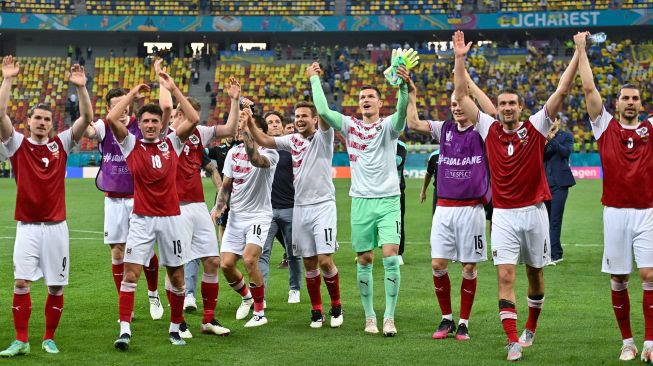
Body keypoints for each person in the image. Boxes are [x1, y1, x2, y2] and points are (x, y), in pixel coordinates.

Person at [453, 30, 578, 361]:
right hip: (504, 215)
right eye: (503, 103)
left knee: (534, 276)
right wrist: (460, 58)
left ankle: (530, 328)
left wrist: (578, 52)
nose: (507, 108)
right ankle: (511, 341)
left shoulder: (536, 126)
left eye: (512, 104)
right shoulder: (487, 128)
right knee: (505, 275)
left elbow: (562, 89)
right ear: (498, 107)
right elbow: (461, 92)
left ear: (520, 108)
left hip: (535, 212)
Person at [308, 59, 408, 336]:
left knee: (389, 257)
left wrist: (402, 88)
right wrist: (314, 79)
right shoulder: (350, 126)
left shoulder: (389, 126)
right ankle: (369, 317)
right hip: (361, 201)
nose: (365, 100)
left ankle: (389, 316)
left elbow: (401, 113)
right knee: (364, 259)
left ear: (379, 103)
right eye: (362, 97)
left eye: (371, 97)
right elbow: (323, 111)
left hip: (388, 200)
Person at [0, 57, 93, 356]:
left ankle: (49, 337)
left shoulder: (61, 144)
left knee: (55, 287)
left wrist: (81, 89)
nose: (41, 122)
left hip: (56, 228)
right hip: (27, 227)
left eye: (46, 119)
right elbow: (0, 114)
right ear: (28, 122)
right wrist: (8, 79)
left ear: (53, 125)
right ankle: (21, 340)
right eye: (37, 118)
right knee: (21, 282)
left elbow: (86, 118)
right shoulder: (17, 145)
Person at [576, 31, 653, 362]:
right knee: (620, 278)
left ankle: (650, 342)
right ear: (617, 102)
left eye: (635, 98)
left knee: (649, 275)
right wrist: (581, 49)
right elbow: (589, 89)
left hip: (647, 211)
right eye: (626, 98)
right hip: (615, 212)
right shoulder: (604, 126)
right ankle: (627, 341)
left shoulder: (650, 128)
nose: (631, 102)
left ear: (641, 103)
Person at [406, 69, 497, 341]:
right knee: (437, 264)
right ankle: (446, 318)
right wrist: (411, 94)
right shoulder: (443, 128)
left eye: (461, 102)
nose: (456, 108)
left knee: (469, 267)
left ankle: (464, 322)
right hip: (444, 208)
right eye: (453, 104)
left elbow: (491, 111)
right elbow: (413, 123)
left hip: (472, 209)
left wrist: (467, 83)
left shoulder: (483, 131)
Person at [111, 70, 199, 350]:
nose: (150, 125)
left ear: (162, 124)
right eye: (146, 121)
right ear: (141, 124)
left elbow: (194, 119)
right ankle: (124, 330)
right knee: (130, 274)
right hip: (142, 220)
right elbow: (112, 118)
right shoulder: (131, 145)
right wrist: (131, 96)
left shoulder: (172, 142)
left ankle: (175, 329)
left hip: (172, 219)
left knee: (176, 276)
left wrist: (173, 88)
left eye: (155, 121)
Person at [247, 101, 344, 329]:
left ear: (314, 119)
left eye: (304, 116)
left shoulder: (323, 137)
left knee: (325, 261)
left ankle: (337, 305)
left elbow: (323, 108)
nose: (299, 119)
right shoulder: (292, 141)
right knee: (309, 262)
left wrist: (314, 79)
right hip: (300, 207)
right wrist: (249, 121)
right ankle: (317, 310)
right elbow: (264, 140)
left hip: (323, 206)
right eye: (297, 116)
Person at [85, 70, 166, 322]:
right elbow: (87, 133)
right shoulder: (102, 126)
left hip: (140, 196)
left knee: (146, 250)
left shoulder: (141, 125)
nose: (120, 110)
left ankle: (153, 293)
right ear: (109, 108)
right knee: (117, 253)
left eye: (124, 105)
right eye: (114, 106)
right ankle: (125, 301)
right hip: (113, 197)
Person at [169, 76, 240, 338]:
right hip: (174, 208)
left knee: (212, 260)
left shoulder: (200, 134)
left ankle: (208, 319)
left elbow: (231, 129)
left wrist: (234, 100)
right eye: (189, 115)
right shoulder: (168, 135)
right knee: (176, 266)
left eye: (196, 115)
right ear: (179, 113)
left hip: (198, 206)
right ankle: (177, 322)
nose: (193, 120)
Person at [211, 108, 279, 328]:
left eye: (250, 127)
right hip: (236, 216)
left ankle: (259, 312)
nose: (243, 130)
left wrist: (248, 124)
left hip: (259, 216)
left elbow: (255, 158)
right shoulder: (232, 153)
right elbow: (227, 184)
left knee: (250, 259)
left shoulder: (271, 152)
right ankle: (247, 297)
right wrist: (218, 207)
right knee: (226, 264)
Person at [257, 110, 303, 304]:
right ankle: (262, 294)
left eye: (277, 121)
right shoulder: (259, 150)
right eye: (270, 122)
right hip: (266, 210)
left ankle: (294, 288)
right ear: (265, 127)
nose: (274, 124)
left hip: (290, 208)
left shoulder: (292, 149)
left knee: (293, 252)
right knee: (262, 253)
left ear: (284, 126)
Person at [543, 118, 575, 266]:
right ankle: (545, 252)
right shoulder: (539, 136)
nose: (550, 122)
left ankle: (555, 254)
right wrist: (544, 140)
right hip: (543, 184)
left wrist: (552, 139)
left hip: (560, 184)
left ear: (558, 121)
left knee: (555, 220)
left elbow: (566, 152)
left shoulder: (566, 136)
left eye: (553, 119)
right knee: (544, 221)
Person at [396, 138, 407, 265]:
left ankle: (399, 253)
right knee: (369, 222)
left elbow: (397, 161)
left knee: (398, 223)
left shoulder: (400, 145)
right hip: (373, 190)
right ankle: (365, 252)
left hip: (396, 191)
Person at [420, 149, 439, 214]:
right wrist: (423, 191)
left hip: (456, 194)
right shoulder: (434, 156)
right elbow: (429, 174)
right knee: (436, 218)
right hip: (438, 193)